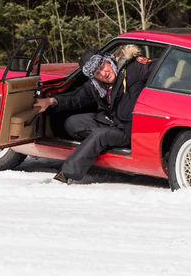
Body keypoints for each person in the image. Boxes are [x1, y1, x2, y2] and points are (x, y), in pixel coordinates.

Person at [34, 45, 154, 183]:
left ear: (108, 60)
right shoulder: (97, 85)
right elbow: (76, 98)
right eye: (97, 73)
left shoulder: (134, 68)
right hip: (113, 121)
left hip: (130, 129)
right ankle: (98, 144)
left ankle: (67, 173)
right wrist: (50, 101)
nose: (103, 73)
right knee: (72, 123)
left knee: (100, 135)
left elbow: (159, 68)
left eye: (103, 67)